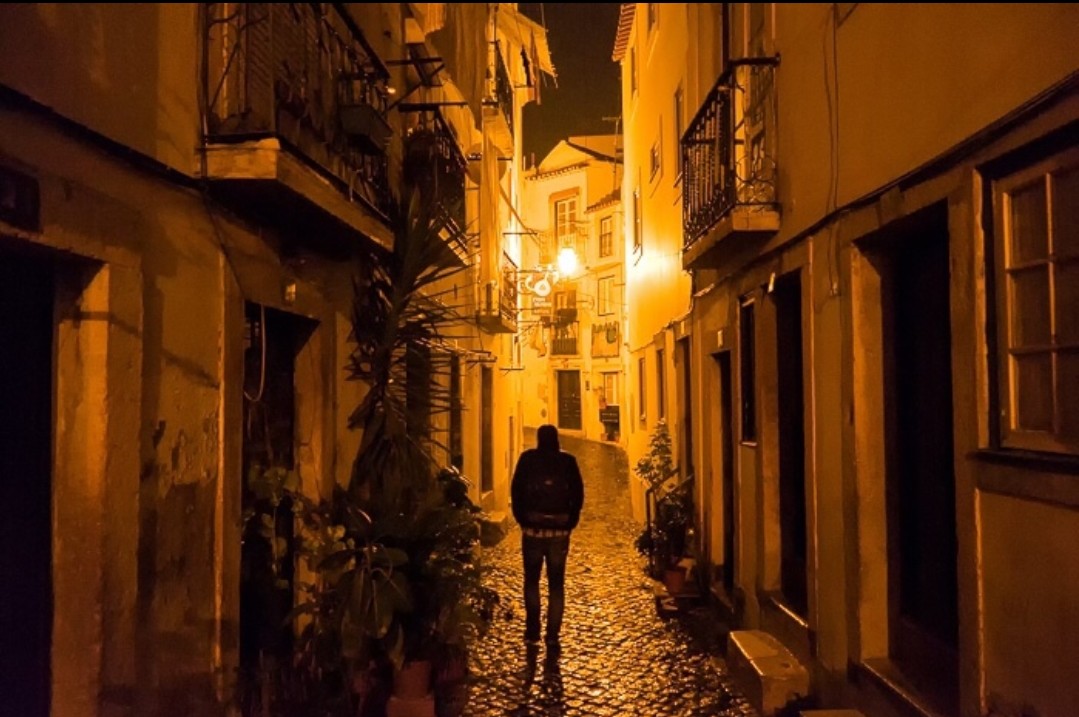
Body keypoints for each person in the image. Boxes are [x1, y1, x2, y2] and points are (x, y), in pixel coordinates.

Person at [510, 424, 584, 652]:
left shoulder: (527, 459)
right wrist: (570, 522)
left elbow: (516, 491)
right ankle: (552, 635)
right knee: (556, 585)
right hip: (559, 532)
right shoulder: (568, 461)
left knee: (531, 581)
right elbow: (578, 494)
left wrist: (522, 519)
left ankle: (533, 631)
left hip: (532, 530)